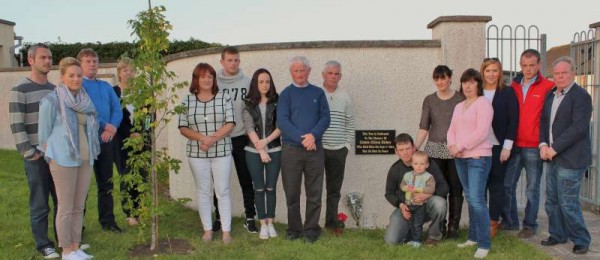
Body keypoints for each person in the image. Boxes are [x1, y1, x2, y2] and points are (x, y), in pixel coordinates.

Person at [38, 57, 100, 260]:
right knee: (65, 206)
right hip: (63, 160)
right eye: (71, 75)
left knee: (78, 205)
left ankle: (76, 245)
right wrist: (51, 157)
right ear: (62, 77)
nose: (76, 79)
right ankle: (65, 250)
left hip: (85, 158)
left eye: (79, 75)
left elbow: (93, 124)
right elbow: (43, 136)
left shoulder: (85, 99)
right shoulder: (51, 101)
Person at [9, 43, 60, 259]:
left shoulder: (54, 90)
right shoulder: (19, 90)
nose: (48, 61)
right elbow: (16, 124)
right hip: (36, 157)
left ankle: (65, 241)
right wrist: (30, 152)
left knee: (61, 200)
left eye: (49, 58)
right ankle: (43, 244)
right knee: (40, 202)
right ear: (30, 60)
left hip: (56, 156)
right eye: (43, 58)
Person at [539, 57, 592, 255]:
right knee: (552, 200)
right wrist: (543, 144)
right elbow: (544, 121)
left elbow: (578, 128)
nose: (560, 77)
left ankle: (581, 239)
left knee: (568, 201)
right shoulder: (551, 95)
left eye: (564, 73)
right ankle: (557, 234)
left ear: (572, 74)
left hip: (571, 159)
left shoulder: (581, 97)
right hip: (550, 156)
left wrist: (555, 148)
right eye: (557, 74)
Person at [179, 63, 235, 244]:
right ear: (196, 79)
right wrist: (203, 138)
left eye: (210, 76)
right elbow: (183, 127)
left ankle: (226, 232)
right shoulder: (187, 101)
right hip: (197, 154)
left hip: (222, 151)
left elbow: (230, 123)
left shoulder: (224, 97)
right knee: (203, 192)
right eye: (202, 77)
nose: (207, 80)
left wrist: (212, 139)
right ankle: (208, 230)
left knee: (223, 190)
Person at [277, 56, 330, 243]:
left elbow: (325, 118)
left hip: (315, 150)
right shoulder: (285, 94)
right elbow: (282, 121)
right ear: (291, 72)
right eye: (296, 70)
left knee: (314, 193)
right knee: (292, 193)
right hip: (291, 151)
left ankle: (311, 230)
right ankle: (294, 229)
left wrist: (313, 136)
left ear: (309, 71)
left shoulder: (318, 93)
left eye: (302, 70)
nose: (299, 74)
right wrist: (305, 138)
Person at [502, 49, 553, 238]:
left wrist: (545, 143)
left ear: (539, 65)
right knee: (508, 185)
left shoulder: (548, 86)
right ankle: (510, 221)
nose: (528, 69)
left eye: (532, 65)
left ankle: (530, 224)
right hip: (514, 145)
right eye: (524, 65)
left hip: (534, 146)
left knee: (532, 188)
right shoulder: (512, 86)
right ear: (520, 65)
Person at [447, 68, 494, 259]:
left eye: (472, 82)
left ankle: (484, 243)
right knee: (471, 197)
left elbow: (482, 132)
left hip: (478, 158)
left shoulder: (484, 104)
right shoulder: (459, 106)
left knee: (476, 200)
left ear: (478, 84)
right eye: (465, 82)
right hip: (460, 158)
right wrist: (451, 145)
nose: (467, 85)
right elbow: (452, 129)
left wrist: (461, 146)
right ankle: (473, 238)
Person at [415, 65, 465, 238]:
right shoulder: (429, 100)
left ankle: (453, 227)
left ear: (450, 78)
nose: (440, 82)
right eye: (437, 78)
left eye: (443, 78)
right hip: (434, 151)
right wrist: (415, 147)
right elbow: (424, 127)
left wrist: (461, 146)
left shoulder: (460, 98)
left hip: (455, 151)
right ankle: (440, 226)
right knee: (438, 190)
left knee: (456, 189)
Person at [77, 48, 123, 233]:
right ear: (81, 64)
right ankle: (78, 225)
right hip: (86, 142)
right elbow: (88, 111)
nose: (92, 64)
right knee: (82, 186)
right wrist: (106, 125)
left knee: (106, 184)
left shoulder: (105, 87)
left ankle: (108, 222)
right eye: (88, 61)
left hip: (106, 141)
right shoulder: (78, 86)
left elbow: (117, 109)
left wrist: (112, 128)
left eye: (94, 61)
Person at [215, 46, 256, 233]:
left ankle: (250, 217)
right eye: (229, 60)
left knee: (246, 180)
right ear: (222, 61)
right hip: (219, 139)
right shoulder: (213, 83)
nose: (233, 63)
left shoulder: (248, 82)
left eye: (236, 60)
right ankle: (218, 218)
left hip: (241, 137)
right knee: (219, 182)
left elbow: (253, 109)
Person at [384, 133, 449, 246]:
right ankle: (408, 230)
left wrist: (428, 195)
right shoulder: (395, 169)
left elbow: (444, 186)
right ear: (396, 152)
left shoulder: (427, 164)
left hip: (426, 205)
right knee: (391, 241)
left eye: (408, 148)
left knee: (440, 203)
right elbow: (389, 193)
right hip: (407, 208)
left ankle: (433, 237)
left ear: (414, 147)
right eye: (401, 149)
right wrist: (401, 205)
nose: (405, 152)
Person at [480, 58, 519, 238]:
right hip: (478, 147)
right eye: (488, 70)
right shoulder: (476, 91)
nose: (491, 74)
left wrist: (507, 147)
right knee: (480, 186)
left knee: (497, 186)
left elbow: (513, 121)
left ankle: (493, 222)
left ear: (500, 72)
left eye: (495, 70)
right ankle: (479, 222)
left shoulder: (508, 92)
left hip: (498, 147)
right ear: (483, 72)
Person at [242, 68, 282, 240]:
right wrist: (260, 149)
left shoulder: (278, 101)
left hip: (274, 149)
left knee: (271, 188)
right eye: (261, 81)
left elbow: (281, 126)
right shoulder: (248, 102)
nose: (264, 85)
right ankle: (263, 225)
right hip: (252, 151)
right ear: (255, 83)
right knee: (259, 188)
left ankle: (271, 223)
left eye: (267, 81)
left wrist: (265, 144)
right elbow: (249, 127)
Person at [320, 60, 356, 230]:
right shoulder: (316, 94)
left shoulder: (345, 97)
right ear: (323, 75)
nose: (333, 77)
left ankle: (331, 223)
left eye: (337, 74)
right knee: (314, 190)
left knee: (334, 191)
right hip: (318, 150)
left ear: (340, 76)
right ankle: (312, 224)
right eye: (330, 73)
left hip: (338, 151)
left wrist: (347, 146)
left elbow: (350, 123)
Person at [112, 57, 146, 227]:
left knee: (142, 175)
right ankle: (129, 213)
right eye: (125, 70)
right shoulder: (114, 92)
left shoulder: (143, 91)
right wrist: (130, 134)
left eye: (132, 70)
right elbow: (115, 117)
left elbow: (150, 116)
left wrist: (142, 133)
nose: (129, 73)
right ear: (119, 73)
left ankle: (140, 210)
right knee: (126, 176)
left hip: (142, 140)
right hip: (122, 141)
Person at [400, 151, 436, 248]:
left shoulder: (428, 177)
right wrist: (405, 188)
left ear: (427, 165)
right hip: (409, 203)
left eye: (422, 164)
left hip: (421, 205)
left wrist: (417, 189)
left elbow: (431, 189)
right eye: (416, 164)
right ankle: (411, 239)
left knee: (417, 223)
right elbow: (402, 185)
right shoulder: (407, 175)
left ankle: (417, 241)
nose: (419, 166)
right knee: (411, 223)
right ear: (412, 164)